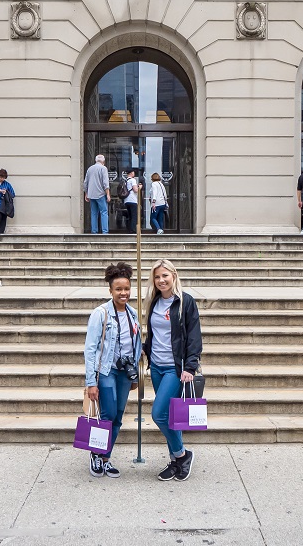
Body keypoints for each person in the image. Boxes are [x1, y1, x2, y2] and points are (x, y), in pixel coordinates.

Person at [144, 258, 202, 482]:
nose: (161, 280)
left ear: (174, 276)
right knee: (170, 416)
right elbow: (154, 334)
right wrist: (144, 349)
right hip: (157, 366)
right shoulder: (154, 302)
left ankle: (182, 454)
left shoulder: (185, 302)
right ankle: (176, 461)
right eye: (157, 276)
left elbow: (194, 336)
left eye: (165, 276)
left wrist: (190, 366)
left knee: (159, 413)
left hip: (175, 369)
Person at [83, 261, 142, 479]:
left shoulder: (133, 314)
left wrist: (135, 370)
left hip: (124, 372)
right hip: (106, 370)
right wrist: (91, 381)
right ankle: (96, 454)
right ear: (111, 290)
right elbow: (90, 349)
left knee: (117, 416)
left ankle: (105, 458)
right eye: (118, 289)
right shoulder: (100, 314)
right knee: (107, 414)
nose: (123, 293)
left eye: (126, 288)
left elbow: (137, 343)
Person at [84, 155, 111, 234]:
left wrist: (86, 193)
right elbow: (105, 183)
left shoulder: (90, 169)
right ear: (103, 161)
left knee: (94, 213)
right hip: (101, 194)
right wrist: (108, 194)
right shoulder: (103, 168)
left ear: (96, 161)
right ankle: (105, 231)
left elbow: (85, 183)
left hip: (91, 194)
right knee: (104, 212)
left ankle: (94, 231)